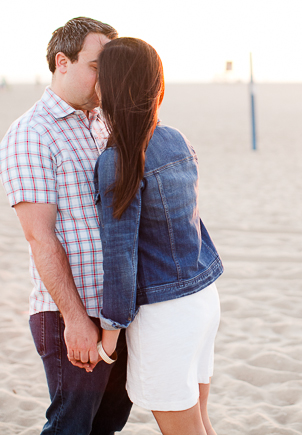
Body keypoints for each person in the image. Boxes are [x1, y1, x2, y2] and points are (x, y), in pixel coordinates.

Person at [0, 17, 132, 435]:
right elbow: (41, 237)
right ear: (62, 62)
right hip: (70, 312)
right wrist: (75, 320)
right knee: (71, 424)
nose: (104, 78)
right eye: (96, 66)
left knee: (109, 421)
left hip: (115, 311)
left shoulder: (102, 124)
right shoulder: (30, 135)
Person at [91, 38, 223, 435]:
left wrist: (108, 340)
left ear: (108, 87)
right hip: (203, 301)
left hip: (166, 316)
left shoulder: (117, 160)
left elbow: (120, 259)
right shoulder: (175, 139)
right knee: (201, 424)